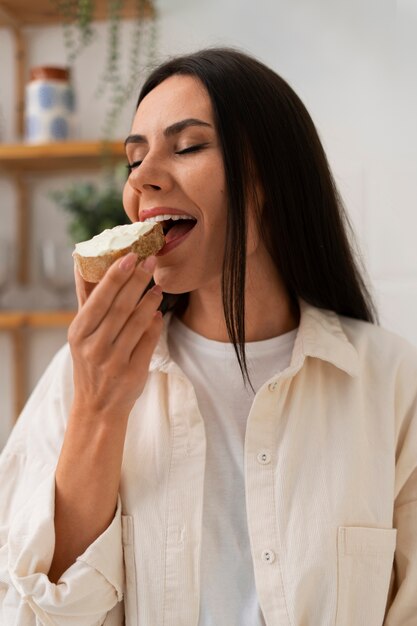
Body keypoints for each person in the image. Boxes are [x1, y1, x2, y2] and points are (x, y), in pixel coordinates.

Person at [0, 47, 416, 626]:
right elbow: (31, 617)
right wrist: (99, 408)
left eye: (188, 146)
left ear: (270, 177)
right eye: (133, 159)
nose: (141, 179)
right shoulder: (81, 378)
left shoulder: (392, 382)